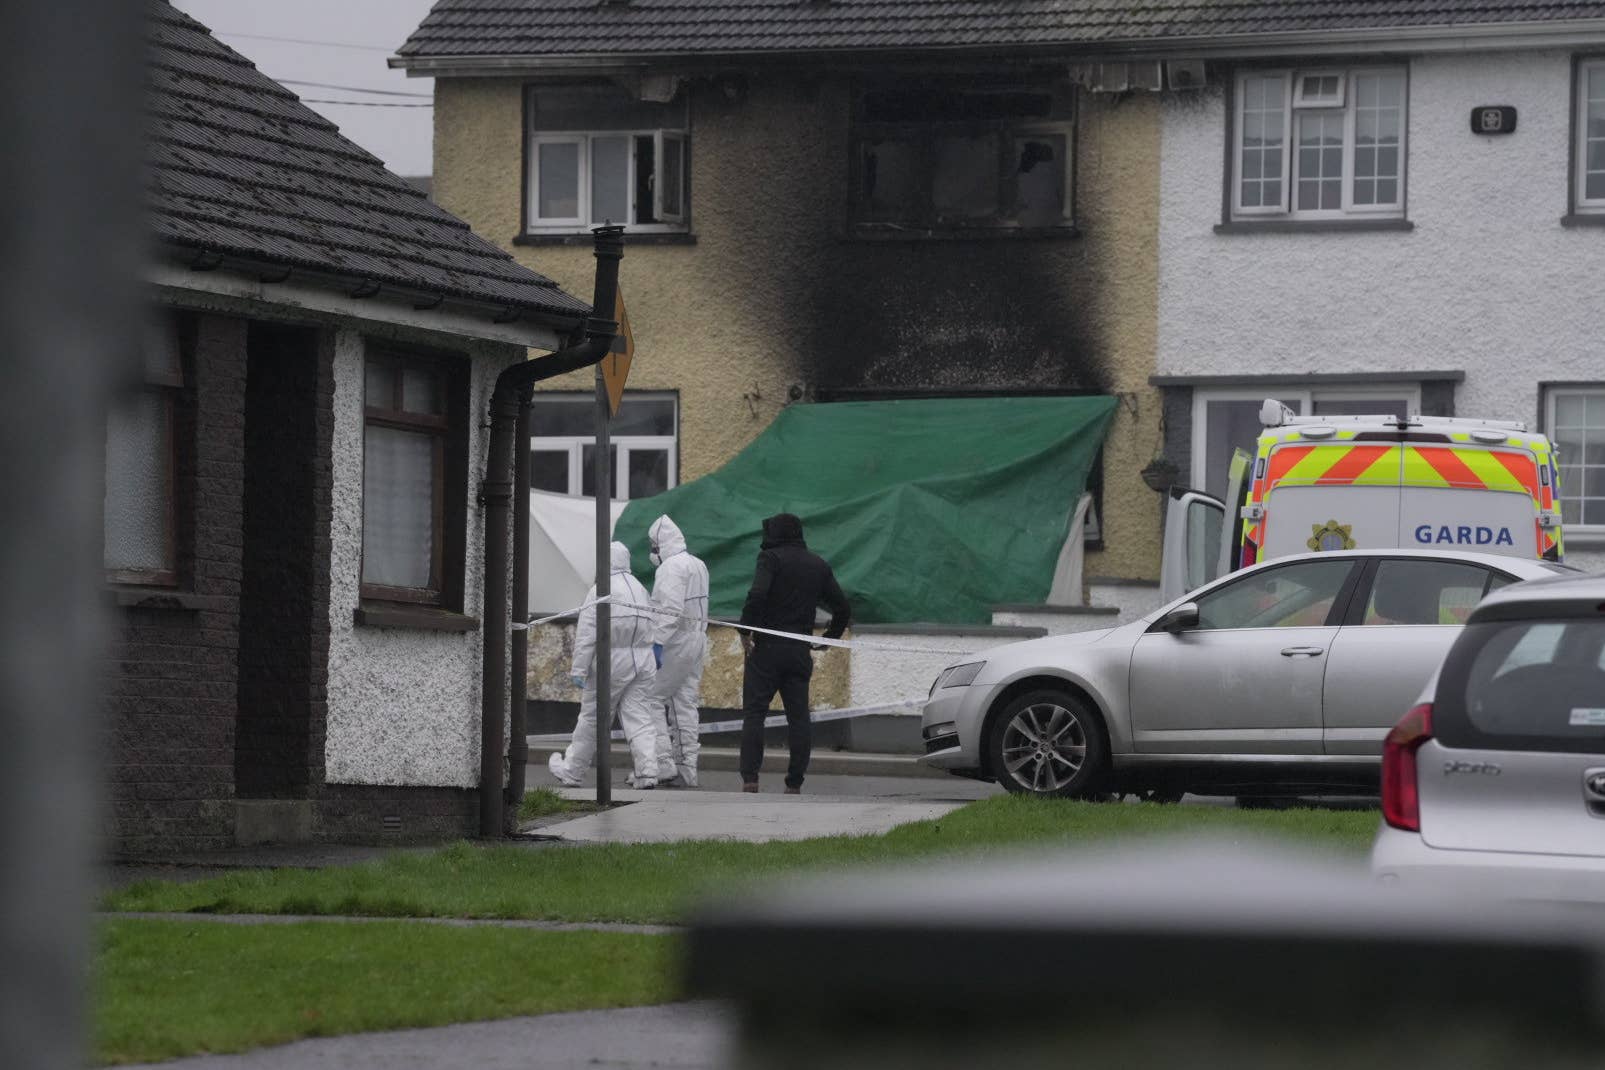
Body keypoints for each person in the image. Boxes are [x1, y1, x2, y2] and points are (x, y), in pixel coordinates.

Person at [738, 512, 851, 794]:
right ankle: (794, 783)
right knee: (799, 718)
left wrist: (745, 632)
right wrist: (829, 639)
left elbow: (757, 596)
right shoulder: (818, 564)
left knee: (754, 714)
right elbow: (843, 608)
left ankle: (751, 779)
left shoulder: (770, 559)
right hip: (799, 651)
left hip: (765, 650)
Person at [548, 541, 662, 789]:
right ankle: (648, 772)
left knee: (592, 717)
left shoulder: (601, 589)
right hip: (643, 663)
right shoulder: (640, 589)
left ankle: (572, 771)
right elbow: (654, 624)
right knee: (640, 717)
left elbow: (587, 634)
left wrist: (579, 669)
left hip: (611, 663)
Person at [647, 515, 710, 788]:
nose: (652, 551)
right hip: (697, 639)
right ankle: (687, 767)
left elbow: (670, 610)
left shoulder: (671, 568)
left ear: (662, 543)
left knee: (649, 698)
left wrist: (657, 642)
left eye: (653, 545)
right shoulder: (698, 564)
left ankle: (661, 762)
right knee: (684, 702)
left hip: (676, 639)